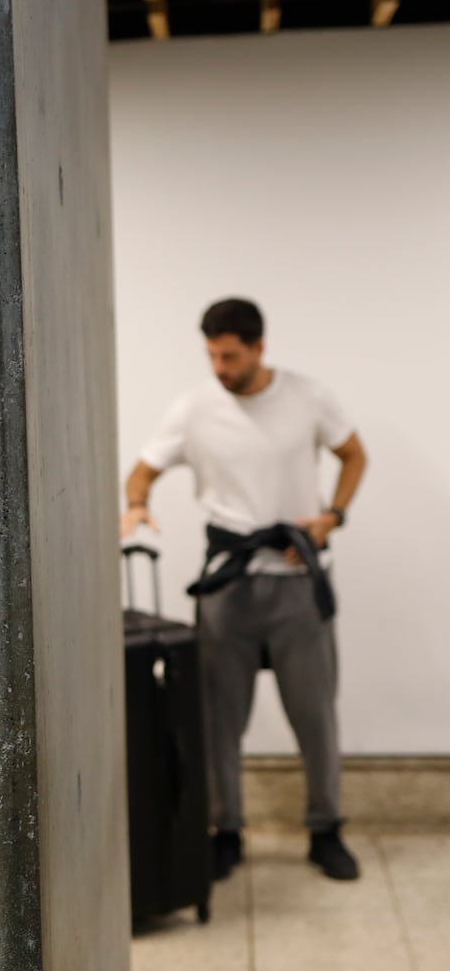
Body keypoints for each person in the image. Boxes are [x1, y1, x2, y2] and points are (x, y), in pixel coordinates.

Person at [121, 299, 368, 882]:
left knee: (315, 716)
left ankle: (326, 828)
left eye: (229, 355)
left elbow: (354, 454)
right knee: (218, 719)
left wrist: (331, 517)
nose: (219, 367)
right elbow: (143, 470)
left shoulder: (307, 397)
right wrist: (136, 505)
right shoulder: (194, 409)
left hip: (297, 585)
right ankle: (224, 830)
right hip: (227, 588)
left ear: (259, 347)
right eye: (211, 355)